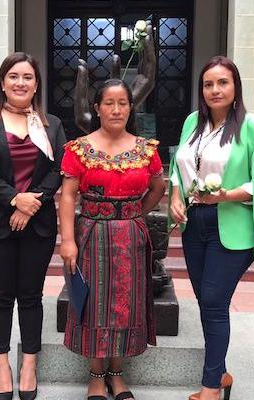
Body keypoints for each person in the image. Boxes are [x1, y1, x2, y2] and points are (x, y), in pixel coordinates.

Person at [168, 56, 254, 400]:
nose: (215, 90)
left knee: (214, 301)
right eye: (208, 84)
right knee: (206, 302)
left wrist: (225, 195)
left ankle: (210, 388)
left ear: (235, 87)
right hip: (194, 222)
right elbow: (177, 164)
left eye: (223, 83)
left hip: (231, 223)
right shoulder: (191, 123)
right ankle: (221, 372)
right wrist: (174, 194)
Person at [0, 52, 66, 400]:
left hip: (37, 225)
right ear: (3, 82)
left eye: (27, 77)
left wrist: (31, 203)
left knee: (31, 296)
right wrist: (14, 198)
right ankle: (2, 364)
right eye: (13, 76)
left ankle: (28, 363)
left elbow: (59, 169)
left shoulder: (50, 124)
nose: (20, 82)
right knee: (0, 297)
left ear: (36, 84)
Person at [58, 79, 165, 400]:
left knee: (125, 307)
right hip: (91, 234)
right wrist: (67, 240)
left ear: (131, 108)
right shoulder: (79, 149)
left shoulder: (146, 149)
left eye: (123, 103)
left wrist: (134, 213)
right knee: (95, 305)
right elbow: (67, 196)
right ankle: (95, 376)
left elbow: (158, 188)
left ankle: (117, 375)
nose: (116, 109)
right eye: (109, 103)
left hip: (131, 236)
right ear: (97, 108)